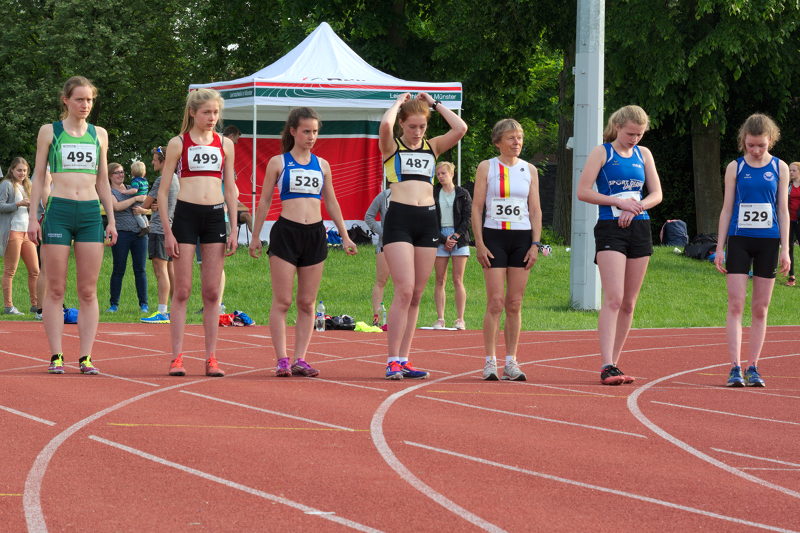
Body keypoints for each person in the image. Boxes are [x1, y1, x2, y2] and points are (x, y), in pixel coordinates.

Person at [249, 107, 357, 378]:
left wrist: (345, 236)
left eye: (315, 131)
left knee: (308, 303)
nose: (311, 136)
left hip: (314, 235)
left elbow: (331, 201)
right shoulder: (278, 162)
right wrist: (254, 237)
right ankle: (282, 359)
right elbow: (264, 202)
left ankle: (301, 358)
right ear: (293, 131)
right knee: (283, 301)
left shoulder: (322, 165)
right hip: (286, 233)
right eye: (306, 131)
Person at [27, 76, 117, 375]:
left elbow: (103, 180)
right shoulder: (49, 132)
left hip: (91, 211)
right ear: (66, 100)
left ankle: (86, 357)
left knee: (88, 290)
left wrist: (111, 219)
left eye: (89, 100)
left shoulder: (99, 134)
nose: (85, 105)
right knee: (55, 289)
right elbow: (39, 176)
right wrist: (32, 217)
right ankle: (56, 356)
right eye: (79, 99)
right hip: (59, 210)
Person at [379, 92, 467, 380]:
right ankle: (391, 360)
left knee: (417, 293)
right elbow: (384, 126)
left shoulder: (433, 147)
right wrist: (397, 104)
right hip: (400, 220)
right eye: (412, 126)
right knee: (404, 289)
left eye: (422, 127)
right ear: (402, 124)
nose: (418, 132)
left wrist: (435, 104)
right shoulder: (391, 146)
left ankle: (404, 358)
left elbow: (460, 129)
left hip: (428, 220)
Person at [576, 105, 662, 386]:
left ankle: (616, 361)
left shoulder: (644, 154)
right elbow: (583, 191)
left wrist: (635, 207)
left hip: (639, 227)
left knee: (629, 302)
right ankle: (606, 364)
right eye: (630, 133)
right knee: (613, 297)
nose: (634, 139)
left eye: (639, 134)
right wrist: (618, 202)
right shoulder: (603, 152)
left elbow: (657, 194)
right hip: (610, 228)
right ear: (618, 127)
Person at [158, 88, 238, 377]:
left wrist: (234, 227)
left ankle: (211, 358)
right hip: (186, 216)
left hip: (216, 217)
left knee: (213, 291)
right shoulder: (178, 143)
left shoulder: (225, 145)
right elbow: (164, 190)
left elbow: (230, 187)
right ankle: (177, 357)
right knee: (182, 290)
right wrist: (167, 231)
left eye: (215, 113)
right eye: (206, 112)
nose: (212, 118)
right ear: (193, 112)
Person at [714, 113, 790, 388]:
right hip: (739, 240)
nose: (756, 151)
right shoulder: (735, 168)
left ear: (771, 141)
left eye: (761, 146)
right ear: (743, 142)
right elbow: (726, 209)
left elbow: (783, 210)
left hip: (768, 242)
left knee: (760, 308)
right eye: (751, 146)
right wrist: (719, 248)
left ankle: (753, 366)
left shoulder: (780, 168)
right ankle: (734, 367)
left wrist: (785, 250)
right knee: (736, 305)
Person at [471, 119, 541, 381]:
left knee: (514, 303)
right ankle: (490, 360)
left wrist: (535, 243)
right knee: (496, 302)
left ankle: (511, 361)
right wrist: (478, 242)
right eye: (511, 138)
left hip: (522, 238)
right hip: (494, 237)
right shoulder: (487, 167)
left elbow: (535, 209)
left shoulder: (529, 169)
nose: (517, 143)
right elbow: (477, 207)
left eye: (520, 138)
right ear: (498, 141)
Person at [140, 146, 179, 324]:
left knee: (160, 271)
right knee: (170, 271)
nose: (153, 162)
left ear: (163, 161)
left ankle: (162, 311)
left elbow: (146, 204)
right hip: (173, 228)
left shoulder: (161, 179)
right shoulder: (177, 179)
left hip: (159, 228)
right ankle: (174, 309)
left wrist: (143, 205)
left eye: (155, 159)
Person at [432, 161, 471, 330]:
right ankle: (440, 319)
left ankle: (460, 319)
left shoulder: (463, 194)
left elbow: (467, 218)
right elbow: (429, 219)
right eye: (438, 174)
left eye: (443, 173)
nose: (440, 176)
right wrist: (443, 239)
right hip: (439, 236)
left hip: (459, 238)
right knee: (440, 280)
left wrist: (455, 236)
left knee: (457, 279)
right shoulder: (433, 193)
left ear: (452, 174)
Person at [107, 162, 149, 313]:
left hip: (139, 233)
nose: (121, 175)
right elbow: (116, 207)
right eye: (117, 172)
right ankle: (114, 304)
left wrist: (143, 206)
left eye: (122, 172)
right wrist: (134, 199)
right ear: (110, 175)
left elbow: (146, 201)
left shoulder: (132, 187)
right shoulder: (109, 191)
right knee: (119, 269)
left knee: (140, 269)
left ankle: (144, 304)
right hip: (122, 233)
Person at [0, 157, 40, 315]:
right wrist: (18, 204)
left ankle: (35, 305)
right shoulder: (6, 184)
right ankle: (8, 306)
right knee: (10, 270)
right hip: (13, 231)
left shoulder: (27, 185)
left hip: (27, 232)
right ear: (12, 170)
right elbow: (1, 205)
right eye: (19, 170)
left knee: (35, 270)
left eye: (24, 170)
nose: (22, 173)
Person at [364, 187, 391, 326]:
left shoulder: (410, 195)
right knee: (381, 281)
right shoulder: (384, 196)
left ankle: (401, 319)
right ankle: (377, 318)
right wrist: (383, 233)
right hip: (385, 244)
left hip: (406, 245)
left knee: (404, 284)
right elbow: (369, 216)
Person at [119, 161, 150, 234]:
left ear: (133, 172)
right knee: (143, 214)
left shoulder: (135, 181)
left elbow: (134, 190)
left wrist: (125, 192)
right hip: (144, 199)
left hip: (138, 200)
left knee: (137, 214)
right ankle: (147, 225)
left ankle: (143, 228)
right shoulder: (145, 181)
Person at [786, 161, 800, 286]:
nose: (791, 172)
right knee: (788, 248)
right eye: (790, 170)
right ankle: (791, 276)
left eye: (793, 170)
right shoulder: (788, 186)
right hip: (789, 221)